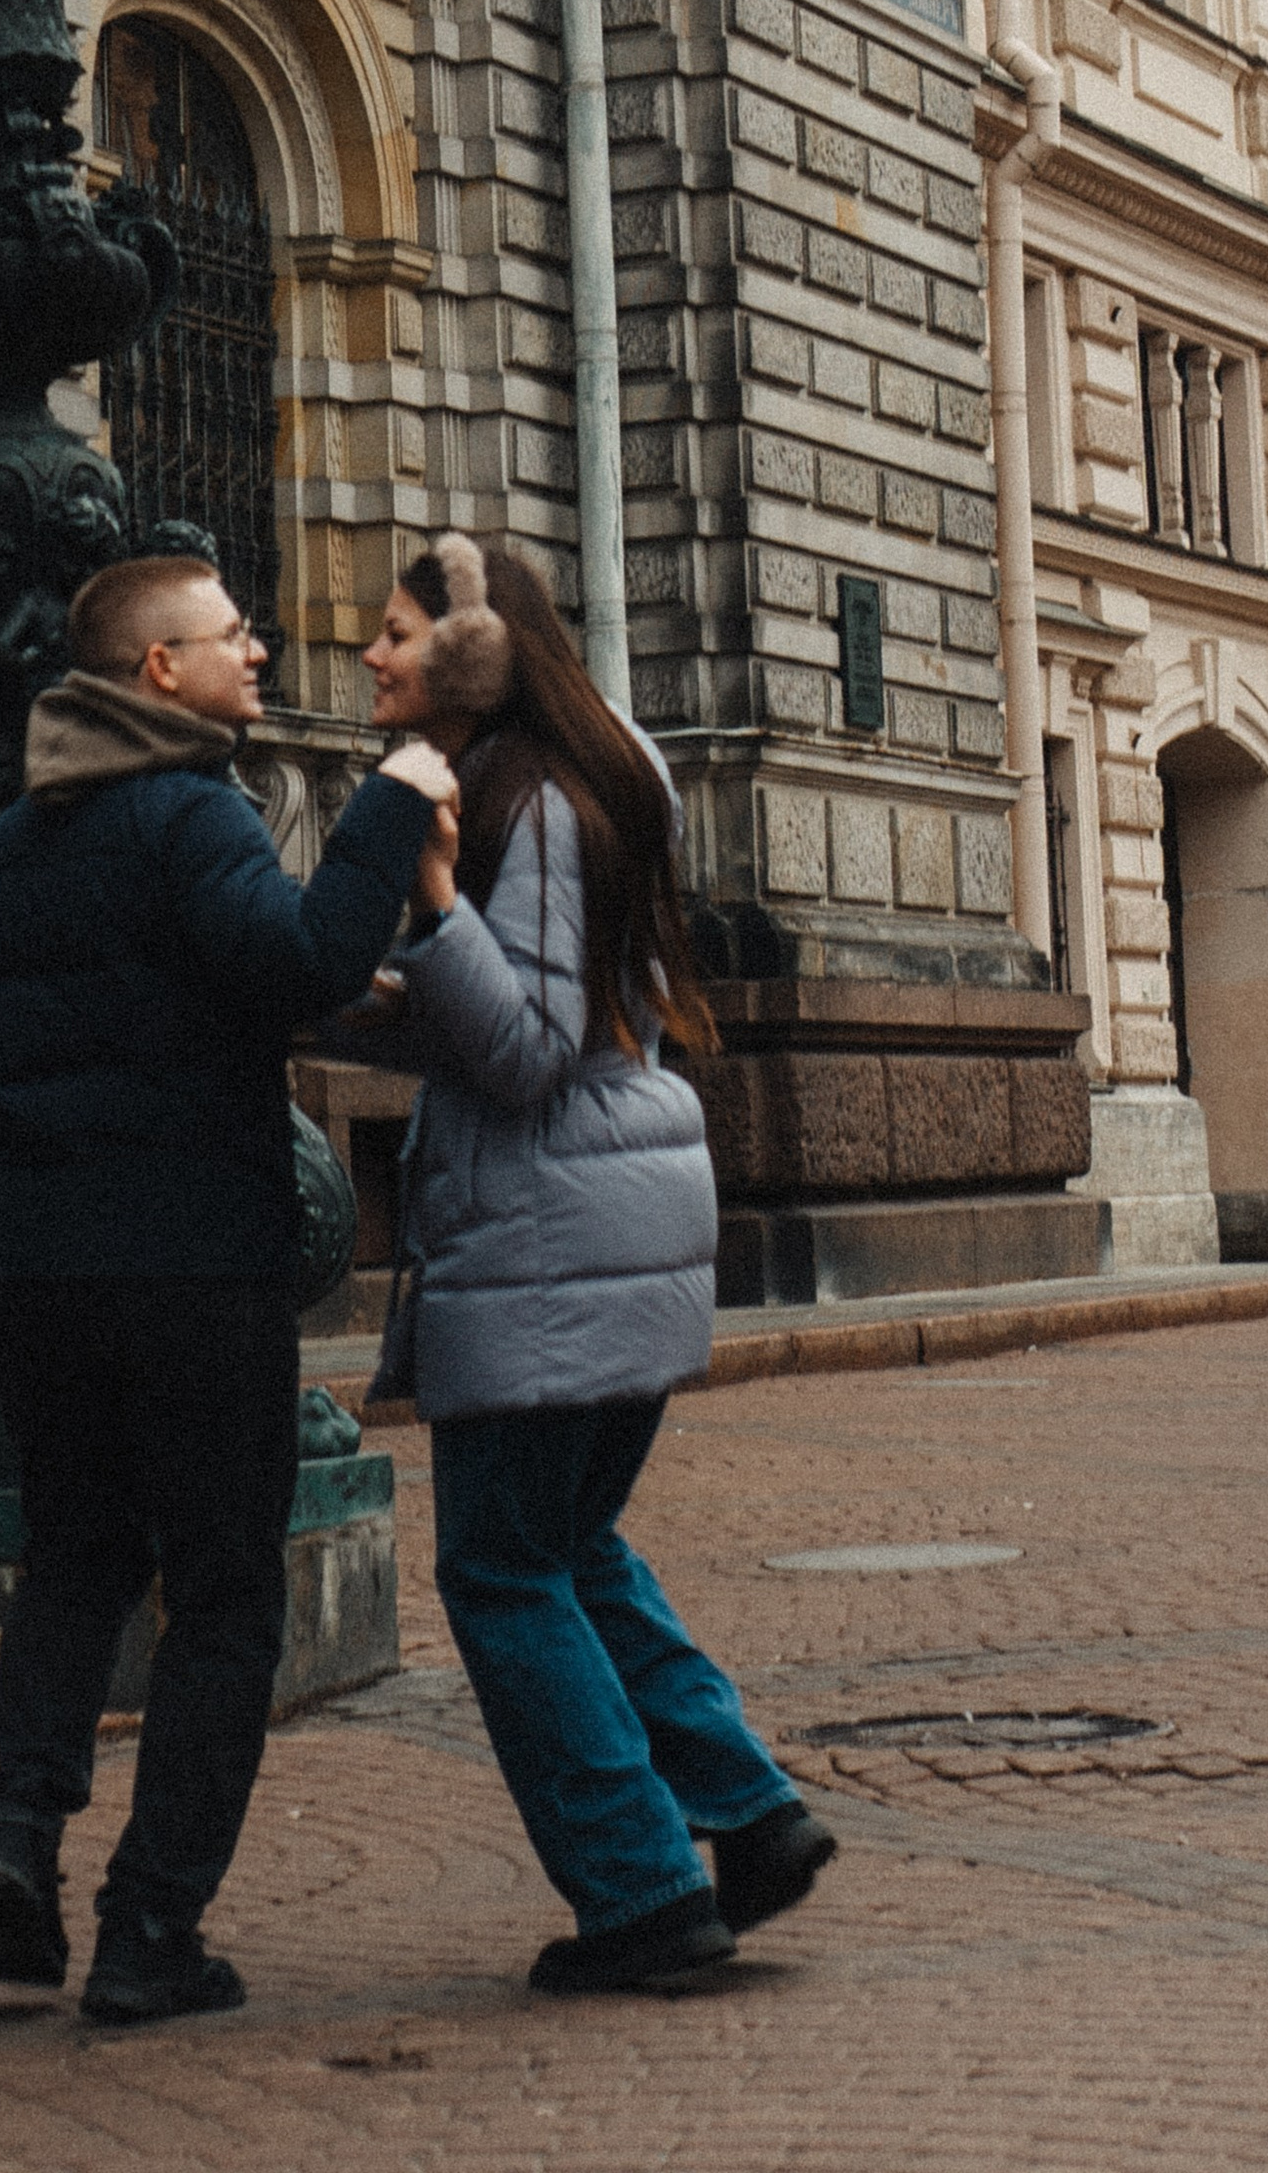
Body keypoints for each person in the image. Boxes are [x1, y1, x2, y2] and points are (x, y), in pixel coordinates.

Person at [0, 551, 456, 2026]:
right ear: (159, 671)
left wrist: (31, 1216)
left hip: (37, 1276)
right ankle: (150, 1924)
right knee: (223, 1599)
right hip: (193, 1270)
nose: (261, 652)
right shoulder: (192, 813)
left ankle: (19, 1838)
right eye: (233, 637)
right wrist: (393, 802)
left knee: (76, 1561)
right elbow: (295, 963)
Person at [362, 531, 835, 1995]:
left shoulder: (540, 804)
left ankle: (639, 1893)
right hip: (590, 1219)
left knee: (501, 1570)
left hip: (557, 1224)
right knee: (566, 1547)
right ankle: (748, 1818)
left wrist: (433, 901)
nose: (370, 655)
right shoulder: (551, 782)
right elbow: (504, 1020)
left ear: (470, 651)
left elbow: (522, 1048)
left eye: (392, 632)